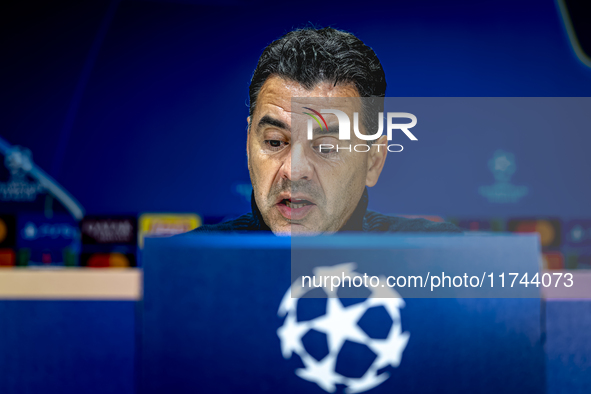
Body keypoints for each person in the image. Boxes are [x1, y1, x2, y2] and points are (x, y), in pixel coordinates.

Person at [194, 27, 460, 235]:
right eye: (275, 142)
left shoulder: (446, 263)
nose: (294, 171)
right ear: (249, 143)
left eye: (326, 147)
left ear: (373, 161)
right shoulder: (184, 268)